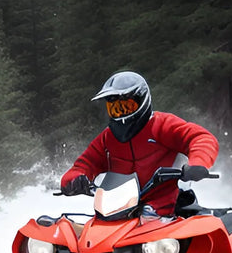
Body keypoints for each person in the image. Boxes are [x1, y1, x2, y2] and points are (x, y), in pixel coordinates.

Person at [60, 71, 219, 216]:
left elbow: (200, 138)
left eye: (126, 107)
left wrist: (198, 163)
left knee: (200, 230)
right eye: (115, 109)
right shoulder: (107, 139)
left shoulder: (161, 125)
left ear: (142, 100)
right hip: (119, 211)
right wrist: (74, 180)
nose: (121, 114)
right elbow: (84, 164)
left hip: (168, 210)